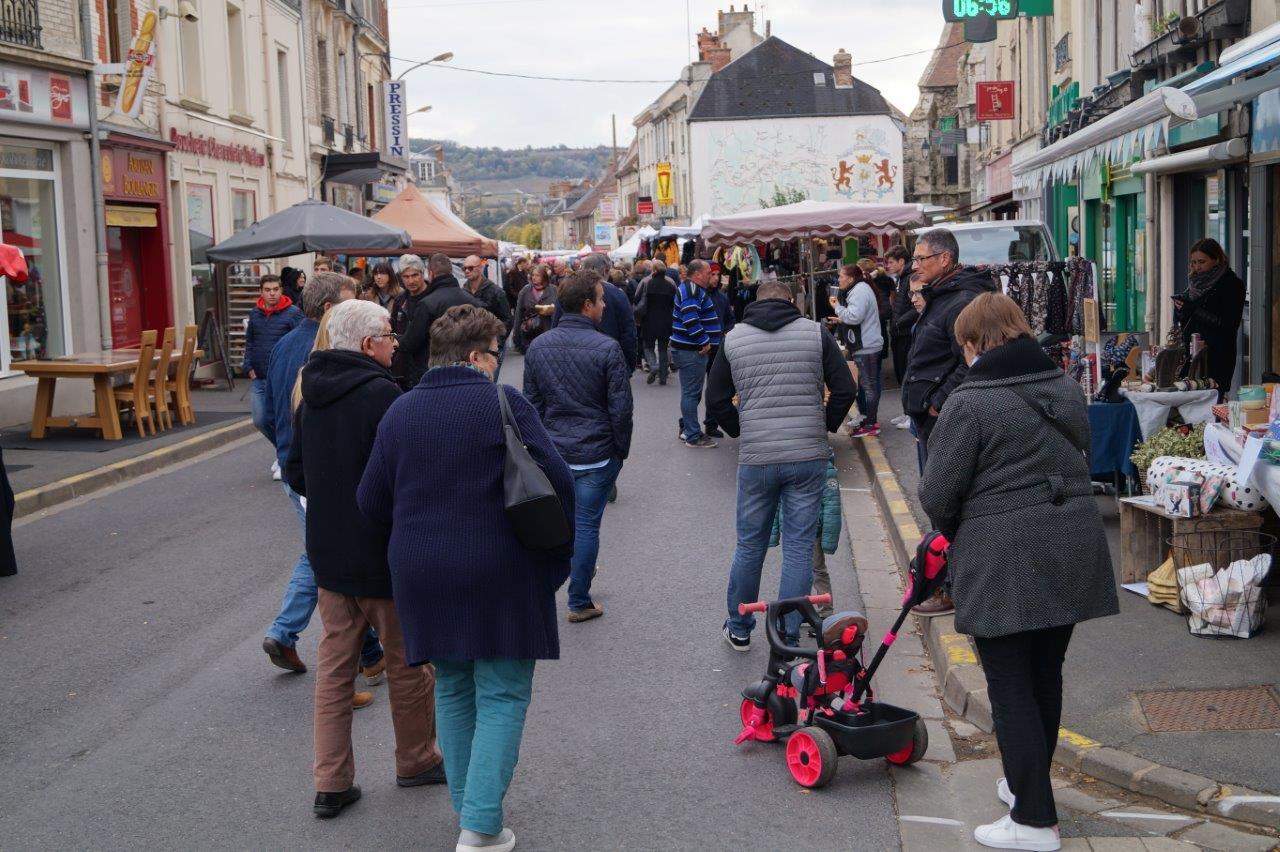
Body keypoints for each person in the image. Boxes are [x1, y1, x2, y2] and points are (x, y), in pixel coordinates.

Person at [357, 304, 573, 852]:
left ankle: (469, 812)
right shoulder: (504, 404)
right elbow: (558, 483)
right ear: (476, 357)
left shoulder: (400, 413)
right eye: (495, 354)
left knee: (452, 686)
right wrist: (555, 560)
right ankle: (479, 827)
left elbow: (370, 501)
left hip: (422, 572)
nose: (498, 365)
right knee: (501, 692)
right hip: (499, 568)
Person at [919, 293, 1117, 852]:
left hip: (1005, 551)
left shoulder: (970, 401)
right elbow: (1081, 448)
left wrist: (957, 530)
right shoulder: (1062, 384)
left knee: (1009, 685)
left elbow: (937, 490)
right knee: (1043, 673)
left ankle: (1033, 821)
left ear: (976, 342)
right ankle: (1024, 785)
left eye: (964, 344)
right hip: (1073, 540)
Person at [284, 299, 445, 819]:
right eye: (388, 334)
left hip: (330, 555)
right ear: (366, 344)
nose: (396, 341)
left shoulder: (311, 396)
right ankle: (416, 758)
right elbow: (411, 478)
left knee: (334, 671)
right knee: (407, 665)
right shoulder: (384, 397)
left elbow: (296, 472)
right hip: (382, 555)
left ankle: (331, 781)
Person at [706, 280, 857, 649]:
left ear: (754, 303)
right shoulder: (815, 334)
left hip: (758, 458)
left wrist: (740, 428)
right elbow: (846, 388)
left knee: (750, 544)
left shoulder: (734, 338)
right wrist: (822, 425)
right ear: (792, 301)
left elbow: (715, 399)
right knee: (799, 545)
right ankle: (789, 632)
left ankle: (739, 627)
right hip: (807, 456)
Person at [260, 272, 384, 703]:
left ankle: (365, 652)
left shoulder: (281, 346)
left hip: (296, 466)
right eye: (349, 304)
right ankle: (300, 638)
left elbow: (263, 410)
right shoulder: (326, 349)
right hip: (321, 467)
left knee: (325, 553)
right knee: (327, 557)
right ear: (331, 309)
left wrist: (281, 446)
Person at [524, 271, 633, 624]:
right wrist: (620, 451)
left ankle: (541, 594)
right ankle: (578, 600)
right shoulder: (607, 348)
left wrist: (539, 448)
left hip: (556, 451)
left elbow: (532, 404)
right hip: (596, 453)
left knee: (558, 526)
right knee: (586, 526)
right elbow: (621, 408)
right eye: (600, 299)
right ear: (587, 305)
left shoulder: (540, 347)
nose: (604, 304)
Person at [1173, 237, 1246, 399]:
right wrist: (1180, 310)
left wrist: (1192, 309)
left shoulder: (1232, 284)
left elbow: (1229, 325)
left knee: (1211, 407)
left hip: (1216, 357)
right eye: (1193, 262)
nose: (1197, 267)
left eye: (1202, 262)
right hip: (1190, 355)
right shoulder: (1195, 283)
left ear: (1216, 259)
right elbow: (1189, 319)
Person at [244, 274, 303, 459]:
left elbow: (299, 343)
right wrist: (248, 366)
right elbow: (250, 341)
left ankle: (285, 456)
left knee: (283, 420)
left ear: (281, 290)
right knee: (260, 420)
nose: (272, 294)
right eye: (267, 290)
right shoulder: (255, 313)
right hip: (259, 376)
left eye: (275, 289)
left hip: (282, 377)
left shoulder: (293, 313)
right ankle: (284, 452)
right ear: (261, 292)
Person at [553, 254, 638, 372]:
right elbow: (628, 333)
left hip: (570, 359)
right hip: (608, 361)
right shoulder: (617, 294)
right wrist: (628, 366)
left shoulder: (567, 289)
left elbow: (556, 325)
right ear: (605, 270)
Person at [671, 259, 723, 448]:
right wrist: (705, 341)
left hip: (689, 349)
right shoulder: (692, 290)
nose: (711, 276)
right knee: (691, 394)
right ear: (698, 274)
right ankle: (692, 435)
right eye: (708, 272)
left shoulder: (691, 289)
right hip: (691, 350)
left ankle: (688, 428)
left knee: (691, 393)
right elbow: (690, 318)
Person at [834, 264, 884, 438]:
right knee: (867, 385)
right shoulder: (860, 289)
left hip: (867, 346)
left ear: (850, 278)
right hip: (866, 344)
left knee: (869, 386)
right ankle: (866, 418)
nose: (838, 279)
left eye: (841, 276)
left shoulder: (859, 291)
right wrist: (841, 317)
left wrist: (837, 307)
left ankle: (871, 424)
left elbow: (855, 317)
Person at [462, 254, 513, 377]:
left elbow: (507, 320)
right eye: (464, 268)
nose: (467, 271)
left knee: (489, 380)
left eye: (470, 268)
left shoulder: (496, 291)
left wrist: (497, 342)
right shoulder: (463, 291)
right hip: (470, 345)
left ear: (479, 268)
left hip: (491, 345)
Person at [702, 268, 737, 439]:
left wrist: (727, 332)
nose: (716, 278)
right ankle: (687, 424)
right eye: (712, 275)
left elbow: (730, 319)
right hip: (699, 349)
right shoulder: (697, 296)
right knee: (692, 391)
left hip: (718, 349)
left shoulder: (722, 298)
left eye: (718, 275)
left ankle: (711, 424)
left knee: (714, 388)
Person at [636, 260, 677, 386]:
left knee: (648, 346)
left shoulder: (647, 283)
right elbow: (674, 303)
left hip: (649, 319)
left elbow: (638, 299)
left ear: (653, 270)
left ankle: (653, 366)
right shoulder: (670, 284)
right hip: (666, 320)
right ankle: (663, 377)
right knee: (663, 349)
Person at [885, 245, 914, 387]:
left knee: (905, 374)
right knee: (901, 374)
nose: (887, 266)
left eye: (891, 262)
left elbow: (917, 307)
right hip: (900, 333)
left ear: (901, 261)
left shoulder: (910, 278)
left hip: (906, 334)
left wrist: (898, 322)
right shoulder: (901, 279)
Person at [514, 264, 558, 353]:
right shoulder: (525, 290)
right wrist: (516, 335)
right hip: (530, 332)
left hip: (548, 331)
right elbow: (518, 313)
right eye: (533, 275)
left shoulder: (553, 290)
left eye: (537, 275)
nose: (534, 277)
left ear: (544, 277)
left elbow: (559, 311)